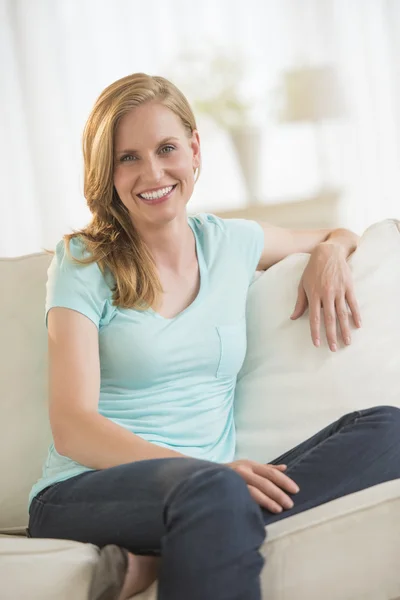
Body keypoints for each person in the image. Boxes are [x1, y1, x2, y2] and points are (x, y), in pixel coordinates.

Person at [27, 73, 400, 600]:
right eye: (127, 157)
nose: (152, 172)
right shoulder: (83, 263)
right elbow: (73, 427)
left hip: (211, 490)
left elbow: (338, 233)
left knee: (388, 429)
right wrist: (206, 471)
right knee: (215, 490)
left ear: (195, 149)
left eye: (166, 148)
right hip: (86, 490)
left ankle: (162, 553)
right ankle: (195, 522)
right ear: (106, 172)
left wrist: (331, 253)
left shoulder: (231, 241)